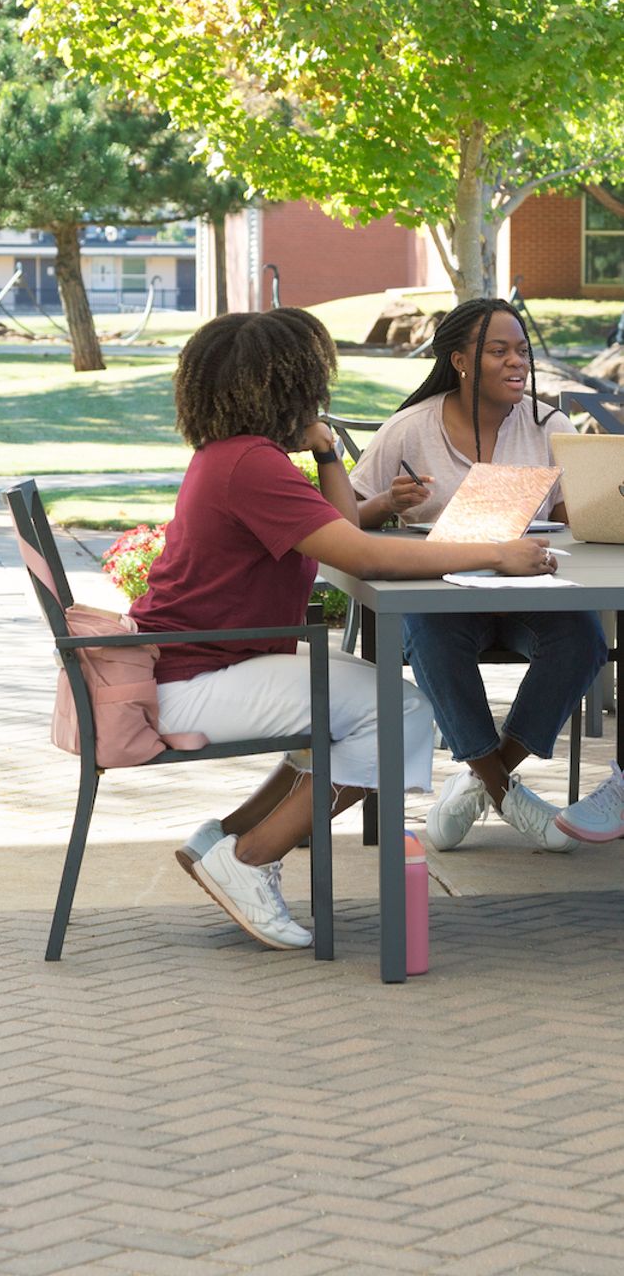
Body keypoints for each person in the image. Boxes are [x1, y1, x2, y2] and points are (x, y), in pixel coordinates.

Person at [131, 307, 560, 952]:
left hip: (195, 664)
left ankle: (224, 839)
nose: (320, 391)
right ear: (284, 385)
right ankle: (249, 859)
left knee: (365, 704)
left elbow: (346, 530)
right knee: (398, 710)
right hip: (194, 679)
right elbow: (362, 556)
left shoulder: (239, 456)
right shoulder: (251, 465)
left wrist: (328, 448)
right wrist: (494, 552)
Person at [351, 297, 607, 858]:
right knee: (429, 635)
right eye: (499, 351)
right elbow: (342, 516)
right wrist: (385, 503)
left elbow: (575, 520)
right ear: (461, 360)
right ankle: (505, 792)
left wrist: (598, 501)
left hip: (529, 592)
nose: (516, 361)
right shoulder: (409, 430)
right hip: (442, 597)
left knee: (583, 638)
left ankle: (481, 780)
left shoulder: (549, 425)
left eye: (522, 350)